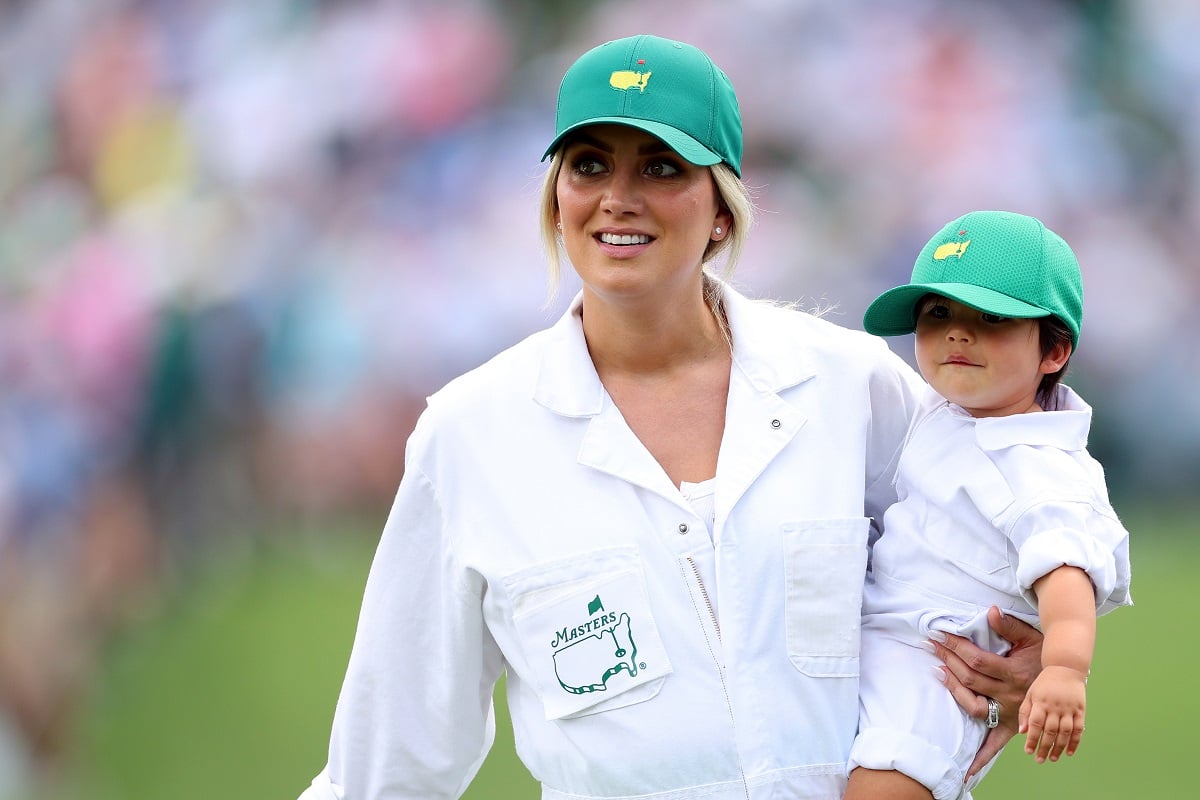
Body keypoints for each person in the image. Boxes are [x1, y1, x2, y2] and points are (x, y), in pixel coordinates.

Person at [297, 36, 1043, 800]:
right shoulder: (471, 434)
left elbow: (990, 548)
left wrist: (1019, 664)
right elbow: (390, 759)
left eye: (661, 167)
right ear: (556, 198)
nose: (618, 197)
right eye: (589, 165)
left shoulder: (851, 388)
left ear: (723, 208)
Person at [844, 210, 1133, 800]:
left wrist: (1063, 670)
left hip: (941, 661)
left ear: (1053, 352)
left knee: (886, 784)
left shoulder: (1039, 465)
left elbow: (1066, 575)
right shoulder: (947, 415)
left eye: (993, 318)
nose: (957, 333)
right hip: (880, 634)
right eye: (938, 314)